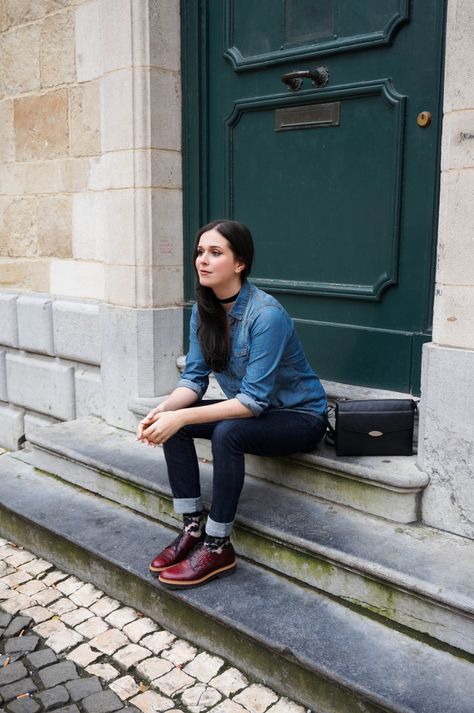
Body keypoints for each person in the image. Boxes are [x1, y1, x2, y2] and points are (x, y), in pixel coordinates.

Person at [137, 219, 327, 589]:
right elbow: (193, 380)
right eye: (200, 252)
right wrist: (163, 411)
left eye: (215, 253)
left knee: (227, 433)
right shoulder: (203, 310)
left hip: (300, 416)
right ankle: (192, 528)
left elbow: (253, 401)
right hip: (255, 410)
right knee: (177, 420)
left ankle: (218, 544)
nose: (202, 260)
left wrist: (180, 417)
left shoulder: (266, 315)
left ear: (239, 263)